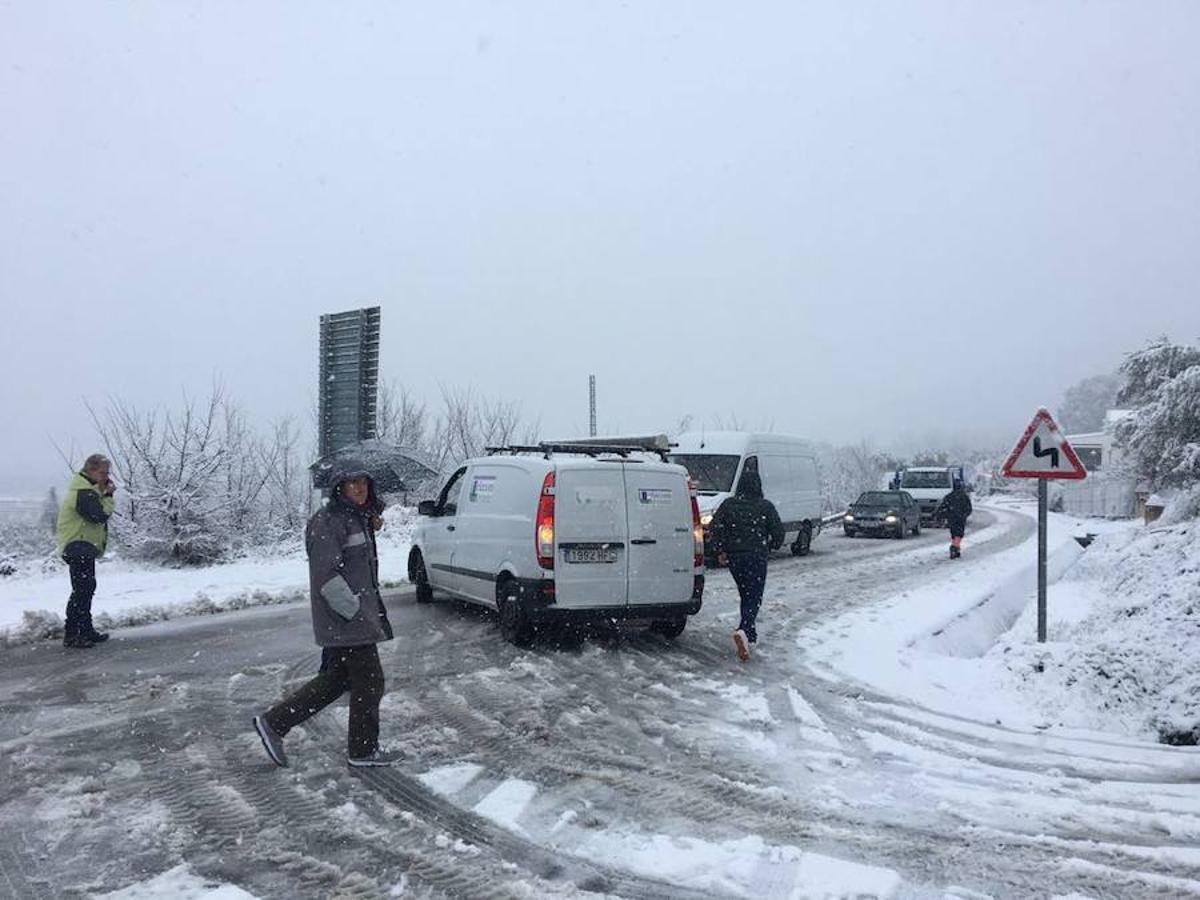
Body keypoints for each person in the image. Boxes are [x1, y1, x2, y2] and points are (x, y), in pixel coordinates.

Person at [254, 462, 399, 768]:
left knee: (335, 680)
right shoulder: (328, 522)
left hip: (352, 619)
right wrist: (355, 612)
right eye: (352, 483)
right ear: (339, 487)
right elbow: (326, 576)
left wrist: (369, 521)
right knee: (371, 682)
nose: (360, 488)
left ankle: (274, 723)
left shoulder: (354, 519)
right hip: (346, 620)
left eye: (364, 482)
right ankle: (362, 751)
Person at [708, 470, 784, 662]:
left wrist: (720, 549)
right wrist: (772, 545)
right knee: (754, 596)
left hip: (735, 557)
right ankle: (744, 629)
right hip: (756, 555)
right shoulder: (765, 507)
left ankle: (750, 635)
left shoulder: (728, 505)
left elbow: (714, 527)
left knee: (746, 594)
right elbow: (778, 532)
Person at [56, 454, 116, 649]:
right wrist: (107, 495)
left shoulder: (88, 489)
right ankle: (72, 634)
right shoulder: (83, 491)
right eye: (103, 472)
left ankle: (85, 630)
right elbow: (99, 516)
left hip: (83, 546)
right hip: (77, 545)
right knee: (82, 590)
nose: (106, 477)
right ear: (90, 470)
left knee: (86, 588)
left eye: (107, 473)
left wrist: (101, 492)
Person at [937, 481, 973, 559]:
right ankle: (955, 548)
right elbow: (969, 508)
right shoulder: (964, 497)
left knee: (954, 534)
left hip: (951, 519)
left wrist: (944, 515)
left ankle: (956, 548)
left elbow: (942, 507)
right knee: (959, 534)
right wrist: (964, 515)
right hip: (960, 519)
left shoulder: (949, 497)